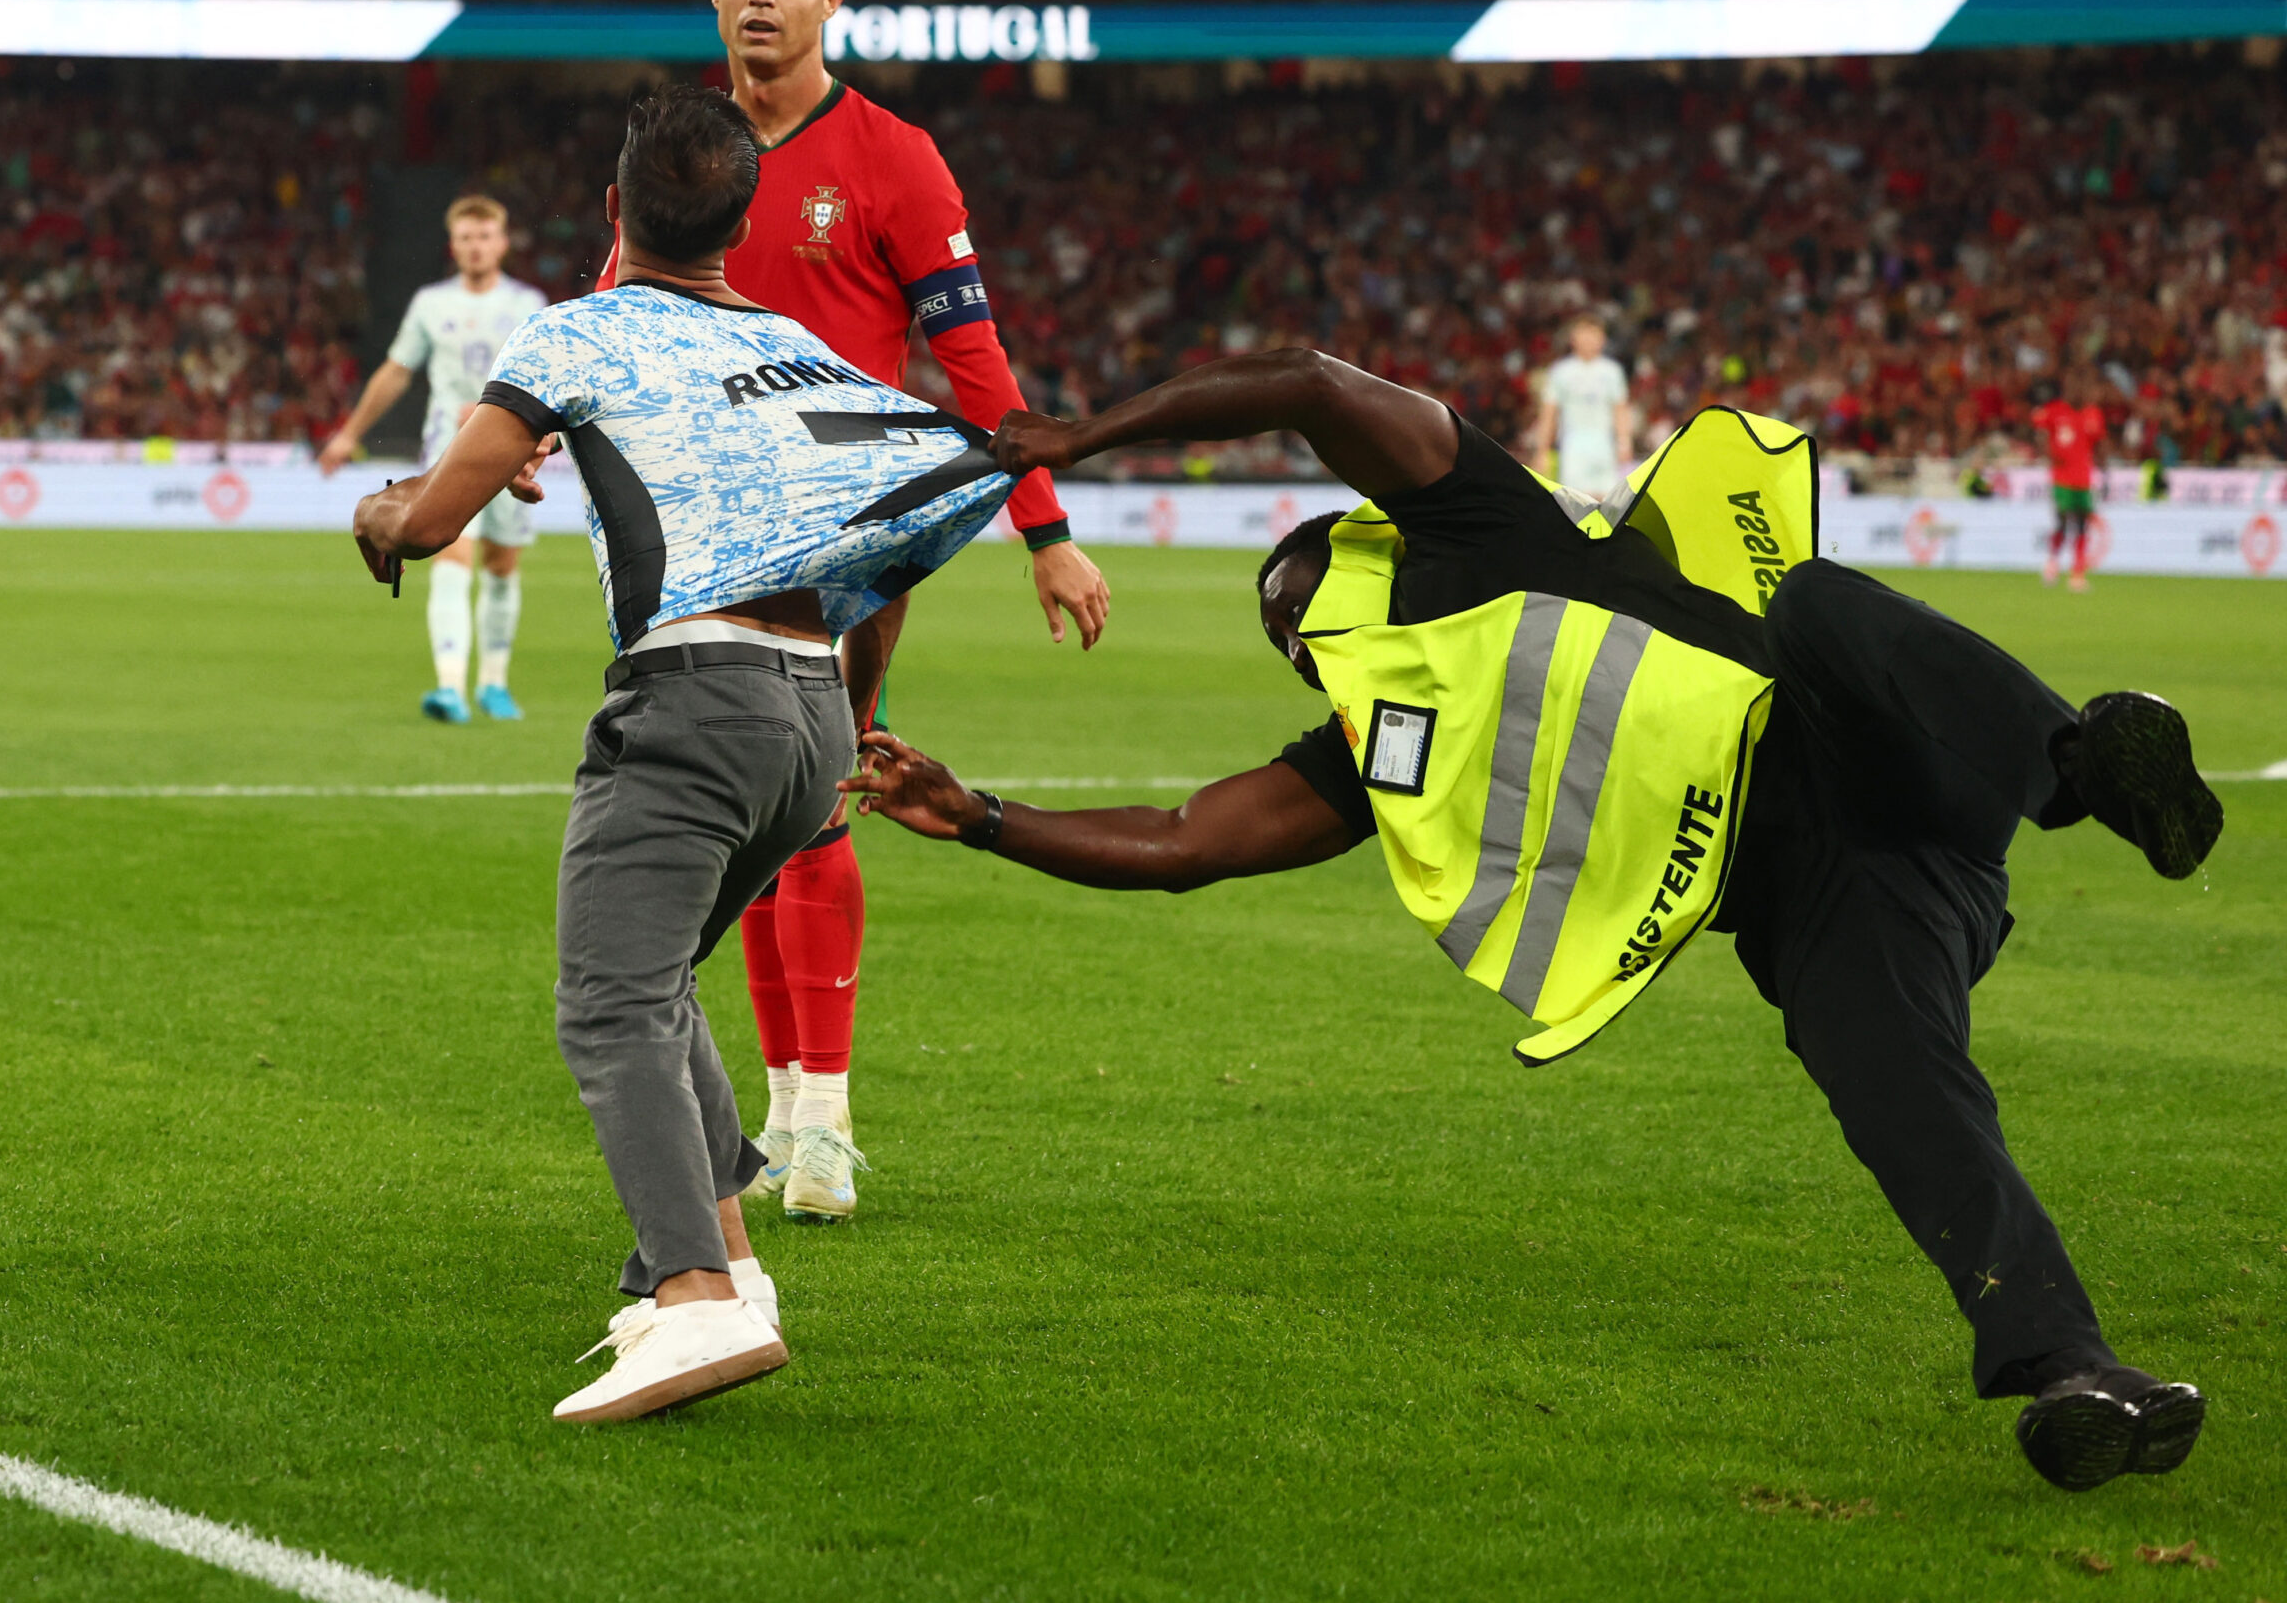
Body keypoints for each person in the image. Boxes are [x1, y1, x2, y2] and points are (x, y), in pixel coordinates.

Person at [842, 346, 2225, 1492]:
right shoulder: (1374, 745)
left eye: (1300, 587)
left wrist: (1087, 433)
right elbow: (1185, 843)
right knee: (1902, 1099)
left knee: (1814, 603)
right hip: (1823, 904)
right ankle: (2076, 1372)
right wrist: (981, 819)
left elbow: (1305, 384)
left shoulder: (1481, 522)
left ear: (1361, 532)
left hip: (1859, 748)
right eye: (1285, 631)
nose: (1292, 619)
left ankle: (2082, 769)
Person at [351, 85, 1015, 1424]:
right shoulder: (805, 347)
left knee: (607, 1001)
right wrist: (857, 716)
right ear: (745, 217)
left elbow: (430, 522)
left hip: (690, 702)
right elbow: (903, 540)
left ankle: (696, 1300)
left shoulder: (578, 328)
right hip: (812, 709)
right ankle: (730, 1262)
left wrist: (378, 508)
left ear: (613, 211)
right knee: (660, 984)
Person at [596, 0, 1113, 1225]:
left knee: (815, 794)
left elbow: (977, 363)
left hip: (842, 537)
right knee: (745, 818)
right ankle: (781, 1107)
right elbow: (621, 302)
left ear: (834, 3)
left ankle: (820, 1119)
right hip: (700, 533)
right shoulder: (685, 151)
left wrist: (1043, 532)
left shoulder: (893, 158)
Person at [321, 195, 548, 722]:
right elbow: (396, 370)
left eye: (484, 236)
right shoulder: (431, 303)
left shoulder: (527, 303)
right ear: (454, 246)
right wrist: (349, 433)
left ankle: (494, 682)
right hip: (446, 443)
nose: (475, 246)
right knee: (451, 555)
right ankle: (450, 686)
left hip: (510, 446)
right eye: (466, 238)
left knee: (500, 562)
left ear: (502, 242)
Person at [1531, 314, 1633, 498]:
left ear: (1602, 338)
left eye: (1594, 334)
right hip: (1573, 445)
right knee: (1575, 501)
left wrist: (1624, 441)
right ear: (1573, 338)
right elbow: (1549, 413)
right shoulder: (1561, 372)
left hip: (1604, 445)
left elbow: (1620, 409)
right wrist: (1542, 451)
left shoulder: (1612, 372)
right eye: (1584, 334)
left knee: (1607, 500)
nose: (1589, 340)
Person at [2033, 371, 2109, 592]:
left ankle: (2077, 573)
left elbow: (2100, 443)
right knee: (2064, 522)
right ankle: (2053, 563)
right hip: (2062, 478)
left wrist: (2104, 472)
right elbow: (2039, 431)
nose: (2079, 392)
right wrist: (2047, 452)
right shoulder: (2055, 411)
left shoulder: (2092, 414)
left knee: (2083, 525)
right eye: (2075, 386)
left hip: (2084, 479)